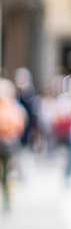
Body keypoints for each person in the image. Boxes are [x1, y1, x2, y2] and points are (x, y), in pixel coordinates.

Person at [0, 78, 24, 209]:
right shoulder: (13, 108)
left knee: (7, 174)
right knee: (6, 174)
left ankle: (7, 197)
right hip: (7, 142)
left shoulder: (13, 108)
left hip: (8, 144)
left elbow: (19, 125)